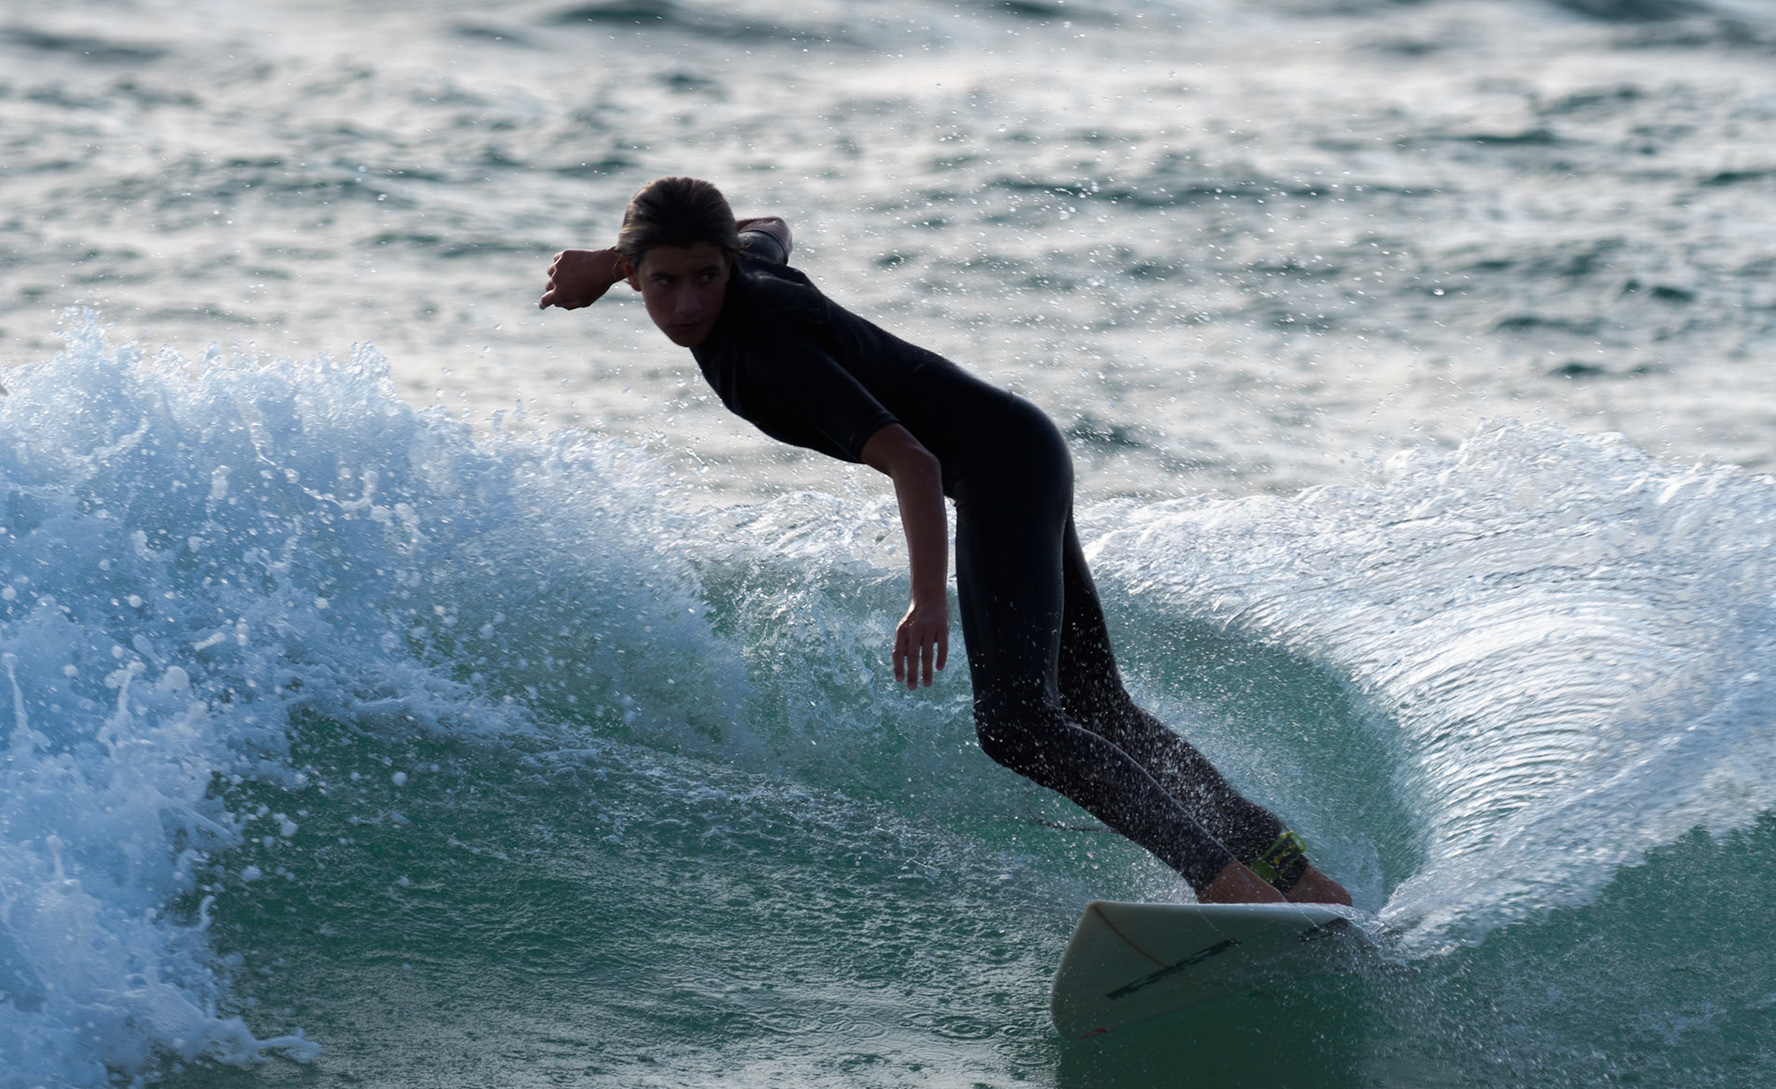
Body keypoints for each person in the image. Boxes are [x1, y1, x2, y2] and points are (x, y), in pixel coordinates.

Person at [540, 176, 1351, 907]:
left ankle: (1224, 883)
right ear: (637, 276)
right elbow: (773, 226)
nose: (687, 303)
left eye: (705, 277)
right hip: (1021, 446)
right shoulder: (748, 264)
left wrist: (928, 600)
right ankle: (1298, 879)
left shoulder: (765, 350)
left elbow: (913, 461)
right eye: (664, 282)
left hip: (999, 467)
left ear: (726, 264)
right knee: (1096, 708)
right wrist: (610, 265)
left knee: (1017, 725)